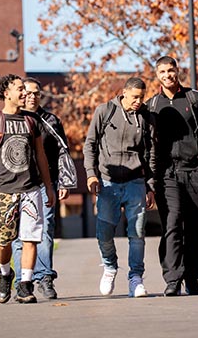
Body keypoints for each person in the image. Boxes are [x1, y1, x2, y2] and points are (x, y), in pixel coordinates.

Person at [0, 74, 54, 304]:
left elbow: (40, 156)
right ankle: (5, 273)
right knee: (4, 242)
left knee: (31, 238)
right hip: (4, 190)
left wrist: (48, 187)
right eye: (20, 89)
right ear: (6, 93)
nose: (25, 93)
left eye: (25, 89)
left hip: (31, 189)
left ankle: (25, 285)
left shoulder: (32, 121)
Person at [147, 56, 198, 296]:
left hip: (197, 172)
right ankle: (172, 279)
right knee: (172, 224)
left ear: (178, 71)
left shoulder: (195, 98)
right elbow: (147, 144)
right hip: (168, 174)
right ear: (157, 75)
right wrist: (151, 178)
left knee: (196, 228)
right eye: (162, 72)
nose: (167, 75)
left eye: (170, 70)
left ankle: (192, 277)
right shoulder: (152, 104)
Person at [83, 77, 156, 298]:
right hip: (107, 182)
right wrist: (91, 175)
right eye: (135, 97)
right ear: (124, 93)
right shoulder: (105, 111)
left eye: (142, 97)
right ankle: (110, 266)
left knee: (137, 234)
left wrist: (150, 185)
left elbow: (151, 153)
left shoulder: (147, 117)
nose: (138, 101)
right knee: (104, 233)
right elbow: (90, 145)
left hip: (136, 182)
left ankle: (136, 278)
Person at [12, 77, 74, 300]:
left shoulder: (51, 120)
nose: (32, 96)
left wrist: (64, 182)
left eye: (36, 93)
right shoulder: (13, 119)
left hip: (46, 183)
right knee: (19, 235)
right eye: (28, 92)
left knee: (46, 230)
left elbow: (62, 152)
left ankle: (45, 277)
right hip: (18, 185)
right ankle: (21, 281)